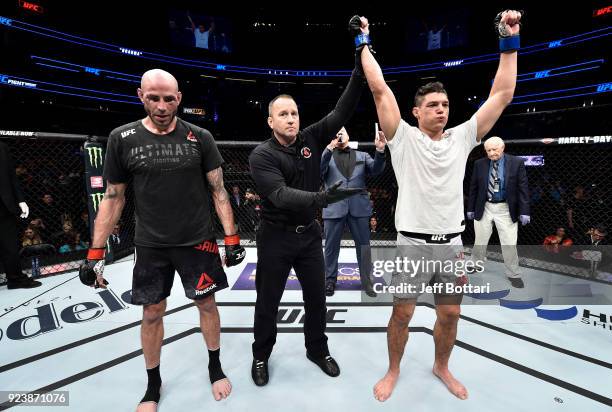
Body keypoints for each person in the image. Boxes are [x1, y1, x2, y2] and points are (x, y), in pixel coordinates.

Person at [354, 9, 522, 401]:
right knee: (403, 313)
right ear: (416, 111)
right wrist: (362, 43)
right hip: (411, 243)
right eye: (432, 104)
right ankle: (393, 370)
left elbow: (502, 94)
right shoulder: (402, 138)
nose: (441, 109)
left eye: (444, 104)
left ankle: (441, 366)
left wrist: (509, 41)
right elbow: (379, 89)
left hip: (451, 244)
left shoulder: (463, 137)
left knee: (449, 314)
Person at [78, 69, 245, 411]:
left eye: (169, 98)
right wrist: (95, 253)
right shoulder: (122, 138)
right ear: (141, 95)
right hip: (151, 244)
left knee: (207, 304)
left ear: (179, 98)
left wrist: (231, 238)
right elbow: (112, 197)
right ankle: (153, 384)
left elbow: (218, 190)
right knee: (152, 312)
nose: (162, 105)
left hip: (198, 241)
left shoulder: (200, 136)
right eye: (154, 97)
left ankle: (215, 368)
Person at [248, 41, 367, 386]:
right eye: (283, 114)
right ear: (270, 120)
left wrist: (358, 69)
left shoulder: (311, 138)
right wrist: (324, 197)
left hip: (309, 235)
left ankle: (317, 349)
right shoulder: (261, 155)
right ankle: (260, 355)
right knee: (267, 302)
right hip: (275, 237)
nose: (290, 118)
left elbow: (341, 112)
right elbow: (281, 195)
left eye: (294, 113)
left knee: (316, 299)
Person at [321, 126, 386, 297]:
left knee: (364, 247)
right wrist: (329, 148)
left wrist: (380, 150)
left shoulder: (362, 156)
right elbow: (319, 170)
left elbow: (377, 170)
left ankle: (367, 282)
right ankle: (329, 281)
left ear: (349, 135)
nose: (340, 135)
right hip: (334, 207)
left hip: (358, 207)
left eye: (343, 131)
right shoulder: (327, 156)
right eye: (337, 133)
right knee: (330, 246)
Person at [467, 136, 530, 288]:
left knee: (509, 243)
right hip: (485, 206)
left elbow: (523, 188)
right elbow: (473, 187)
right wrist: (470, 208)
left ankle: (513, 274)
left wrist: (525, 211)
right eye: (488, 150)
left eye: (494, 149)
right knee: (480, 240)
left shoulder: (516, 163)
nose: (491, 153)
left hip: (506, 208)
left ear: (502, 148)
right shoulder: (479, 164)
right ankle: (476, 264)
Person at [0, 141, 41, 289]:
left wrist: (21, 200)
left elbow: (11, 176)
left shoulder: (2, 147)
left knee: (10, 245)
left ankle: (15, 279)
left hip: (4, 205)